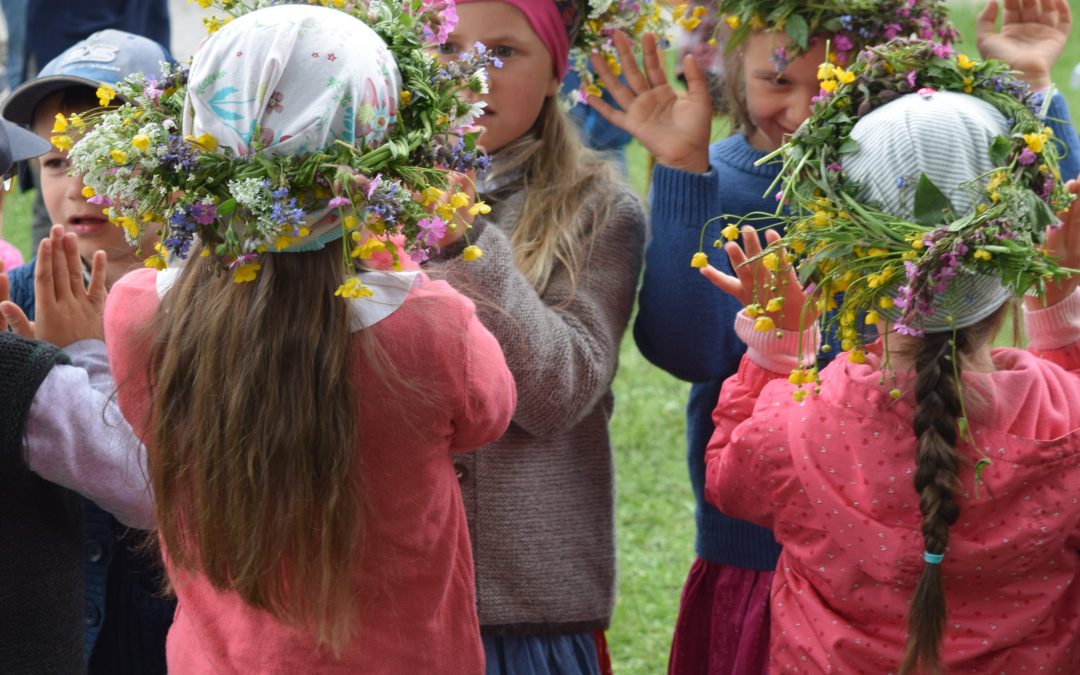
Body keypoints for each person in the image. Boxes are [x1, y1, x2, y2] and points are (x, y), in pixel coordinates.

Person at [589, 0, 1080, 671]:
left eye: (840, 87)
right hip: (764, 562)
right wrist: (682, 169)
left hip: (823, 602)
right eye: (779, 80)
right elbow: (688, 351)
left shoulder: (924, 184)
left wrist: (775, 347)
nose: (809, 114)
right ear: (733, 70)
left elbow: (1050, 229)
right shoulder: (725, 179)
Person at [92, 4, 515, 671]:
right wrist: (392, 245)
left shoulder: (138, 311)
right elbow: (488, 415)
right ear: (381, 140)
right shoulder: (433, 325)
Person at [427, 0, 646, 672]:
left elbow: (558, 392)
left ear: (557, 69)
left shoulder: (599, 210)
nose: (473, 75)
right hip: (388, 597)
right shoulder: (362, 200)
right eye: (447, 50)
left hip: (528, 615)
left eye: (503, 53)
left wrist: (466, 240)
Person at [0, 28, 173, 673]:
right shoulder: (16, 299)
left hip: (167, 631)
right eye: (56, 160)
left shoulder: (212, 304)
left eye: (112, 152)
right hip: (50, 627)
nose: (81, 183)